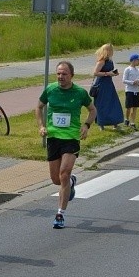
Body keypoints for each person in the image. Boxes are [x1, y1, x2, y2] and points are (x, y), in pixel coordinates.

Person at [35, 61, 97, 229]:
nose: (61, 77)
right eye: (59, 74)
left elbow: (92, 110)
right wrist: (41, 126)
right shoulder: (50, 90)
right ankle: (70, 183)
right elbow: (39, 107)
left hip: (71, 138)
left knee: (64, 173)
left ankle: (60, 214)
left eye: (64, 74)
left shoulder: (79, 93)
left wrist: (86, 125)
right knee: (56, 179)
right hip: (54, 137)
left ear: (72, 76)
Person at [92, 43, 124, 129]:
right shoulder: (101, 61)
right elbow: (95, 72)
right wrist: (107, 73)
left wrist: (113, 73)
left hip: (109, 83)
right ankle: (101, 124)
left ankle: (115, 122)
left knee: (113, 102)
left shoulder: (110, 61)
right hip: (102, 84)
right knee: (102, 103)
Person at [122, 54, 139, 130]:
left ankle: (132, 122)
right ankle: (126, 119)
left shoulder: (138, 70)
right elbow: (124, 80)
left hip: (136, 91)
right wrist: (132, 82)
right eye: (138, 60)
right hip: (130, 90)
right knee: (129, 107)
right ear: (134, 61)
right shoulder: (128, 69)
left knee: (135, 107)